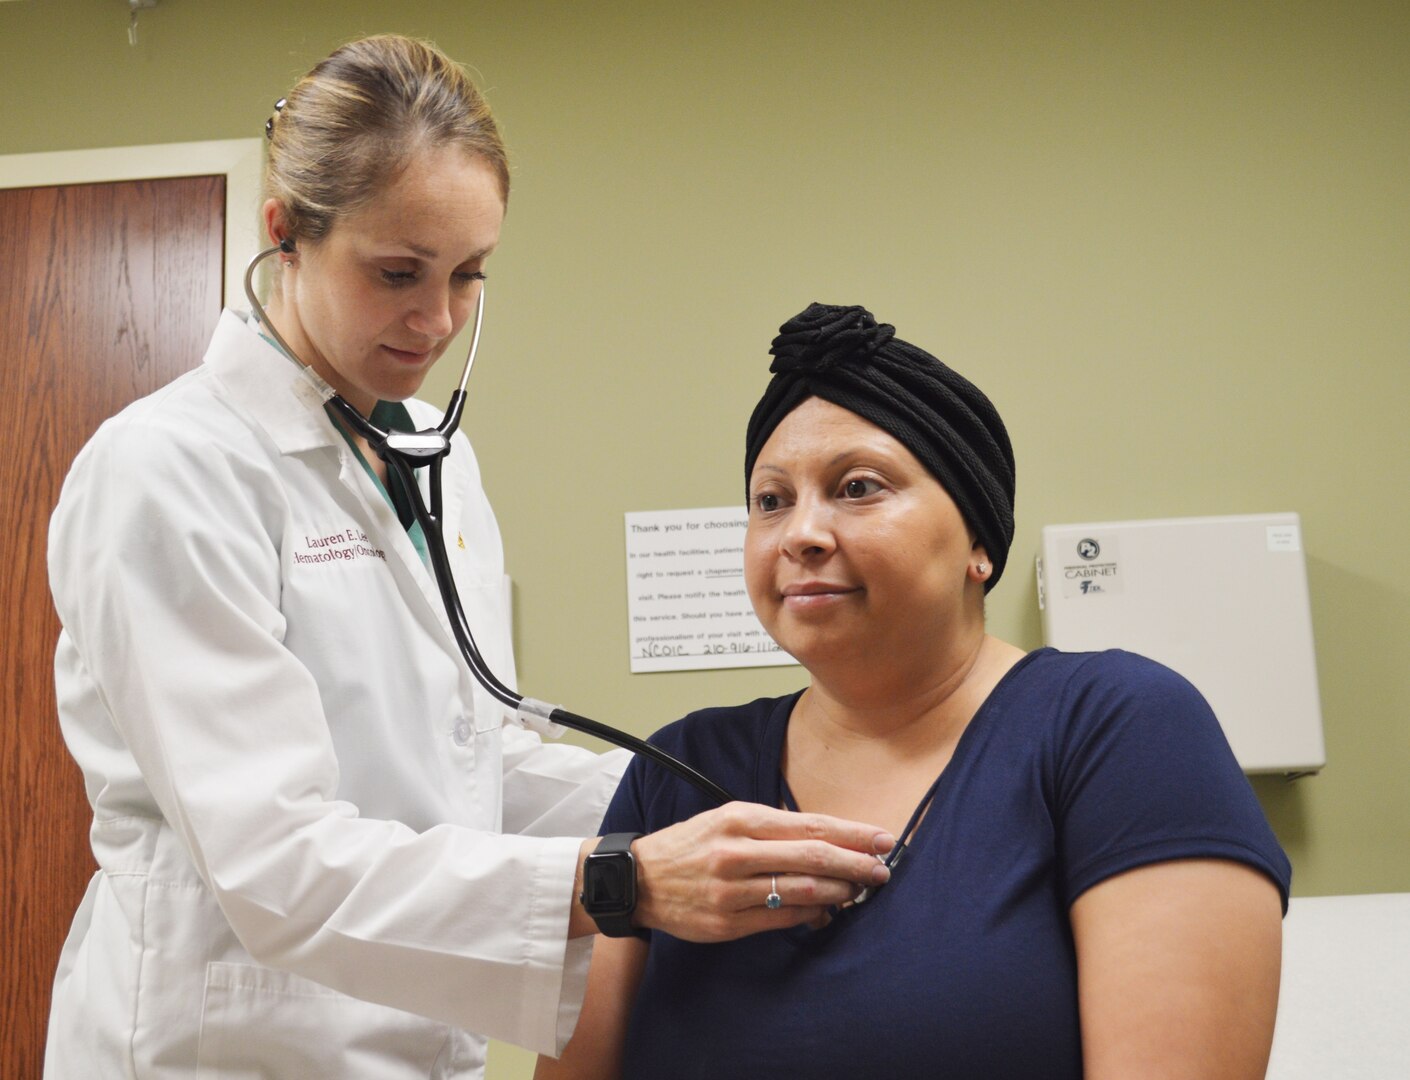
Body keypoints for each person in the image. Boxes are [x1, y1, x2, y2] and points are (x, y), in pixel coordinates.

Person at [42, 39, 894, 1079]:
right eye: (397, 272)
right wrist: (623, 882)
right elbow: (271, 861)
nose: (436, 319)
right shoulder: (167, 470)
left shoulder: (429, 459)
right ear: (286, 235)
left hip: (409, 1044)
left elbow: (476, 757)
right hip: (222, 1052)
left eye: (468, 274)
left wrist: (721, 801)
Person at [537, 302, 1291, 1080]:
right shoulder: (681, 769)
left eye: (858, 487)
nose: (801, 532)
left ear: (978, 543)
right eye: (771, 500)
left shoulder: (1115, 727)